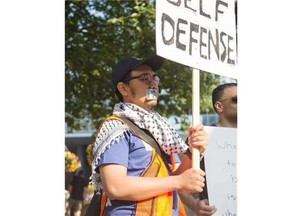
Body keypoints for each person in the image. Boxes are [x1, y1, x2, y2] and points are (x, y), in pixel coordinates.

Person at [90, 55, 209, 215]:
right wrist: (178, 181)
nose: (153, 83)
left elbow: (171, 178)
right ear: (123, 88)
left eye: (154, 76)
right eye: (144, 77)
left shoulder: (161, 131)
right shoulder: (116, 127)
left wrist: (192, 151)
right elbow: (115, 187)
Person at [183, 82, 237, 215]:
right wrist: (196, 206)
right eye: (237, 99)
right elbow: (178, 183)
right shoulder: (200, 138)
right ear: (219, 106)